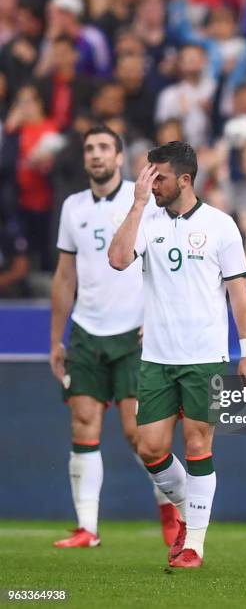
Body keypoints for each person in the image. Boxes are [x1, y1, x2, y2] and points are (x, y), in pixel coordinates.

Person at [108, 141, 246, 568]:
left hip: (206, 356)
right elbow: (118, 259)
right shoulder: (145, 220)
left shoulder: (221, 226)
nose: (150, 184)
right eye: (147, 176)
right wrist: (137, 206)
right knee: (149, 447)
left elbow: (240, 296)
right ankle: (188, 510)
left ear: (185, 180)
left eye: (157, 177)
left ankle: (193, 543)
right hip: (157, 356)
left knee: (198, 444)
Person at [50, 124, 180, 549]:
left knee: (139, 434)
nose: (96, 154)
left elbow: (167, 262)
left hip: (133, 334)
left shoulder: (142, 201)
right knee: (83, 423)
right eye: (90, 148)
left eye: (105, 147)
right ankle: (88, 528)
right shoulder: (73, 207)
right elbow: (65, 275)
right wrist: (57, 338)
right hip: (87, 332)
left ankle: (169, 504)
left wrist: (159, 315)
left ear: (121, 158)